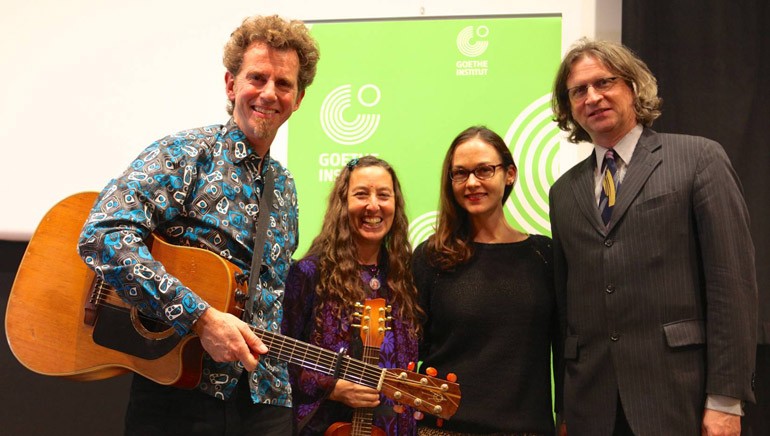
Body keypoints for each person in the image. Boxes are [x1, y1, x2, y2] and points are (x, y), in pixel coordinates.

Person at [76, 15, 320, 435]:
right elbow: (102, 236)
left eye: (284, 84)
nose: (269, 93)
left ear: (298, 98)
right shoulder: (186, 154)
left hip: (266, 400)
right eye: (257, 78)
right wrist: (201, 318)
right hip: (178, 396)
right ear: (231, 85)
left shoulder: (285, 189)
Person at [548, 38, 758, 436]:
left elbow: (733, 286)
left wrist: (726, 400)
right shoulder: (563, 192)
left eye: (604, 82)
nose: (592, 97)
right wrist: (565, 410)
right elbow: (566, 308)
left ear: (632, 86)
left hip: (681, 400)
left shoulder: (698, 159)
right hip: (591, 408)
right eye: (579, 91)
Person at [412, 126, 562, 435]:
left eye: (484, 170)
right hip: (443, 431)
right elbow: (407, 349)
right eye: (460, 173)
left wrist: (566, 416)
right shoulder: (430, 257)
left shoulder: (545, 256)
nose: (471, 183)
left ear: (509, 174)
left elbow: (564, 351)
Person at [282, 156, 423, 435]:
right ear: (343, 203)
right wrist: (332, 387)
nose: (374, 205)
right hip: (326, 427)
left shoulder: (406, 274)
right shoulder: (310, 272)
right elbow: (279, 360)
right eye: (361, 194)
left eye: (384, 195)